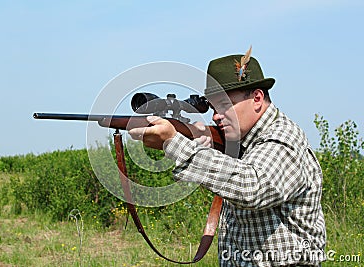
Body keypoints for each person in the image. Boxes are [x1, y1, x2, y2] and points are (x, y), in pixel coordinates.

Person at [129, 48, 326, 266]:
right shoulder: (242, 142)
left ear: (257, 98)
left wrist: (175, 143)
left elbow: (251, 186)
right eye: (213, 107)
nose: (216, 116)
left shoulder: (282, 138)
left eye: (224, 105)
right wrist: (205, 146)